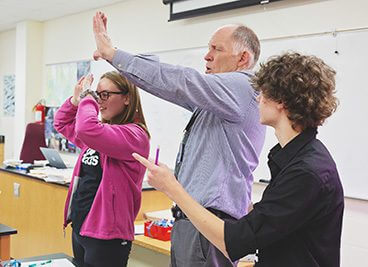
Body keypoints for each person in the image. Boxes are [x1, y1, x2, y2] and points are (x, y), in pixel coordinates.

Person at [134, 52, 344, 267]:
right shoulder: (293, 157)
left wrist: (172, 188)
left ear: (281, 101)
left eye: (262, 93)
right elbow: (276, 220)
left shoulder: (307, 171)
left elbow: (232, 241)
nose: (257, 99)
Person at [93, 11, 266, 266]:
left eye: (217, 49)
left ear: (243, 58)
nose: (207, 56)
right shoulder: (217, 100)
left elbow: (180, 80)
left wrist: (112, 53)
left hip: (209, 225)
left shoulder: (242, 87)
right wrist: (116, 61)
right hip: (194, 223)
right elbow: (163, 84)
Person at [54, 71, 150, 267]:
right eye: (97, 95)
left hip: (107, 236)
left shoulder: (135, 135)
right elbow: (62, 122)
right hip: (82, 227)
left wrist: (87, 97)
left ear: (127, 98)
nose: (98, 101)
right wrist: (74, 101)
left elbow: (86, 128)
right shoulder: (100, 135)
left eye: (104, 95)